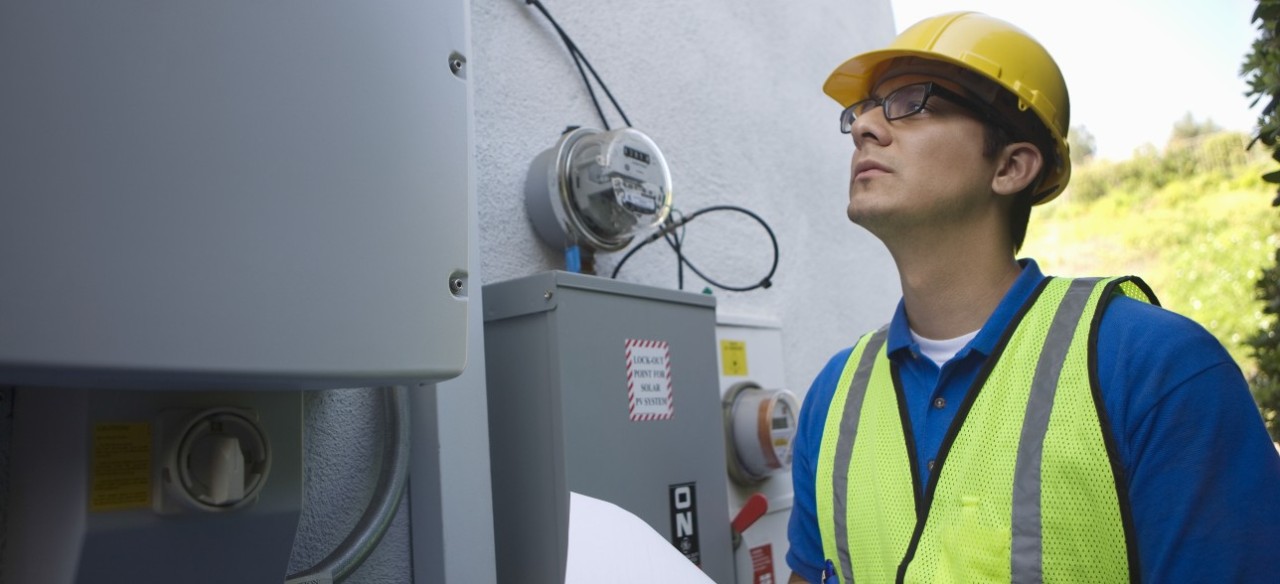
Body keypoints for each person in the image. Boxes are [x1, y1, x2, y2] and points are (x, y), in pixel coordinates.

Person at [786, 11, 1280, 583]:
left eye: (913, 101)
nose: (863, 128)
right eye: (864, 109)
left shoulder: (1153, 368)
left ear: (1011, 166)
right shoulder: (832, 396)